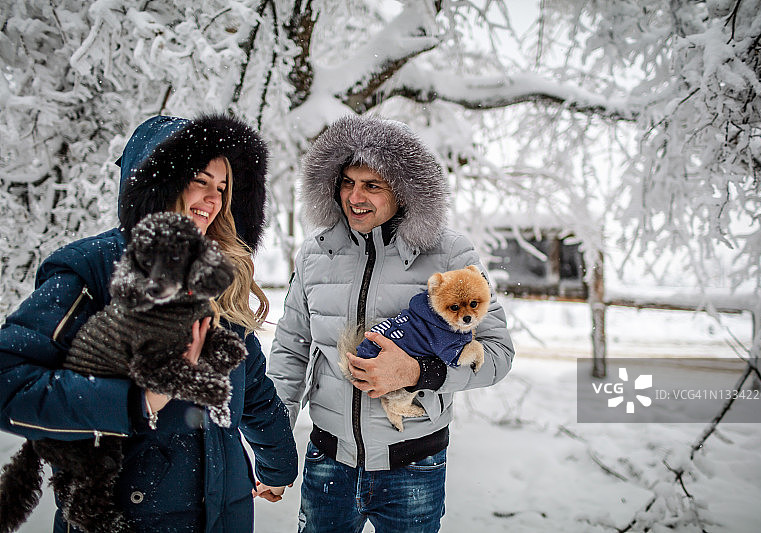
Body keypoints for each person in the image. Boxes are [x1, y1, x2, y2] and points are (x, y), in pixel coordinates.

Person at [0, 113, 298, 532]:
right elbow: (9, 384)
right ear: (157, 183)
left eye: (222, 187)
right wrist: (138, 401)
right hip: (121, 515)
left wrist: (278, 463)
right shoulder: (92, 267)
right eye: (199, 180)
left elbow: (249, 383)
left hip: (225, 511)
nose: (212, 198)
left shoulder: (216, 273)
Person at [267, 115, 515, 532]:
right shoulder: (315, 254)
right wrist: (273, 447)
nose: (355, 197)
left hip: (413, 466)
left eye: (372, 185)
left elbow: (498, 354)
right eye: (347, 182)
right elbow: (290, 350)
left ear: (402, 189)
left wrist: (418, 372)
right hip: (328, 461)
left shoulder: (450, 254)